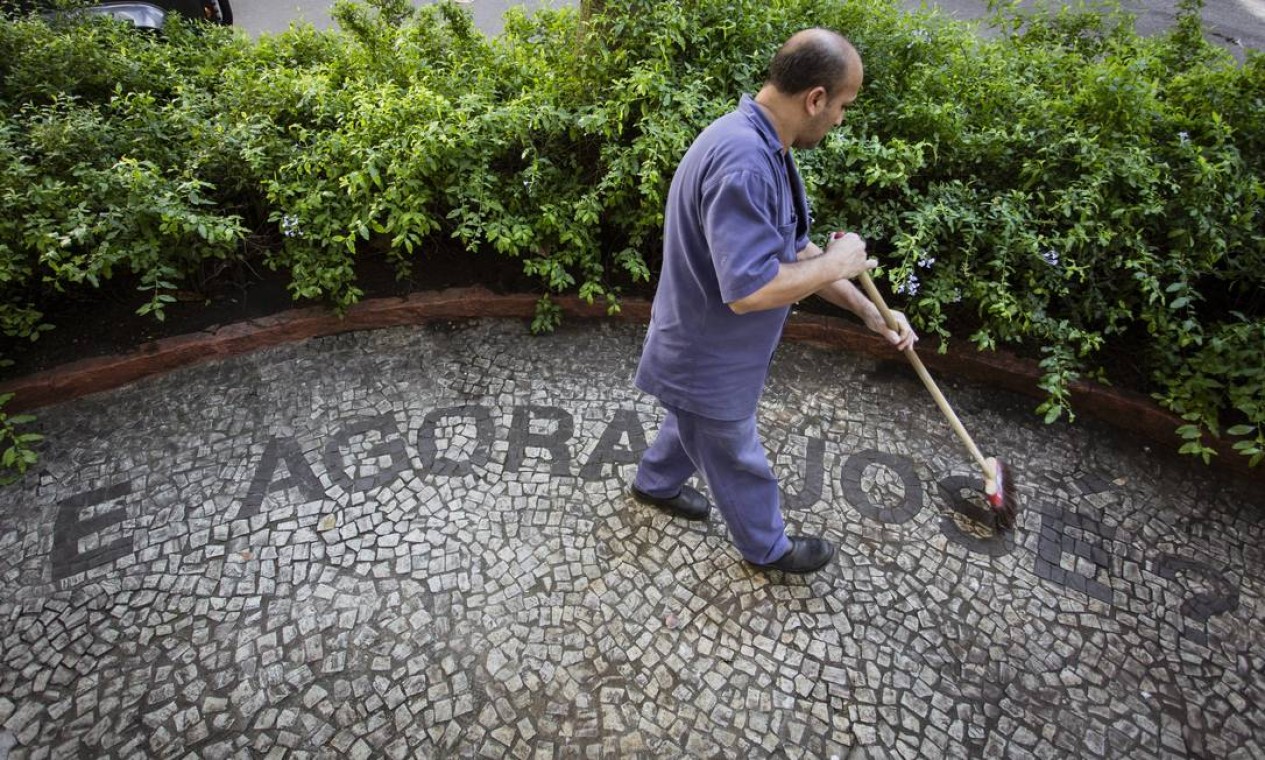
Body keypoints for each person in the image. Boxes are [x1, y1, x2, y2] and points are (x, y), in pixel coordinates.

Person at [629, 28, 917, 574]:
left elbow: (793, 250)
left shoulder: (761, 143)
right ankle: (768, 548)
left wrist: (867, 309)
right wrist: (839, 264)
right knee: (735, 454)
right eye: (842, 106)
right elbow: (750, 289)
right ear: (815, 98)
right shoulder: (745, 162)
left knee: (691, 420)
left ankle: (654, 483)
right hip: (708, 355)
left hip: (706, 351)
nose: (841, 119)